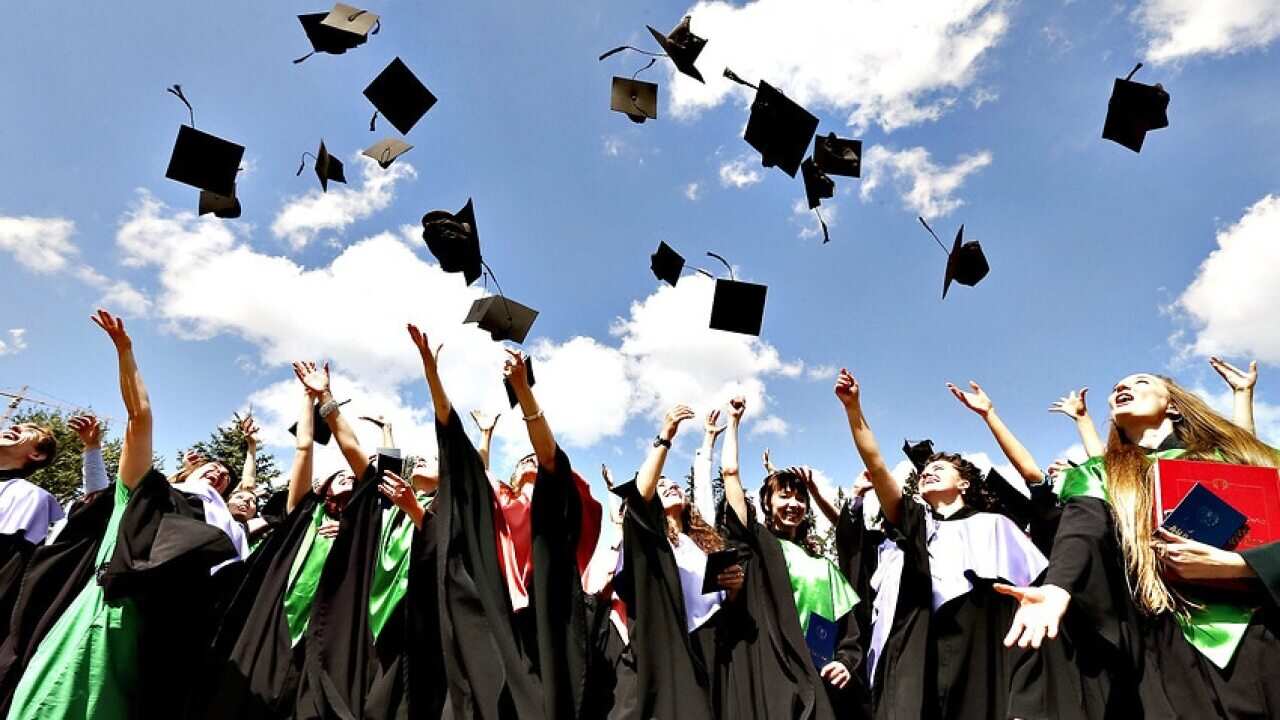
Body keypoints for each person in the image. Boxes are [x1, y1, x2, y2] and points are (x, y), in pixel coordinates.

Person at [997, 370, 1280, 718]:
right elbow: (1083, 528)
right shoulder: (1098, 473)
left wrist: (1240, 565)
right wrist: (1057, 586)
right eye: (1117, 386)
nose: (1122, 387)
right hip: (1162, 640)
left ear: (1173, 406)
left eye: (1140, 382)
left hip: (1258, 628)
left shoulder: (1241, 460)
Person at [1, 309, 237, 720]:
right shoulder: (136, 501)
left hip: (147, 642)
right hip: (88, 625)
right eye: (199, 479)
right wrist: (125, 351)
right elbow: (139, 416)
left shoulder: (203, 540)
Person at [835, 368, 1051, 720]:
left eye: (940, 468)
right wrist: (853, 410)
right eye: (925, 470)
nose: (928, 471)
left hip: (983, 660)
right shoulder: (915, 527)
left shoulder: (997, 528)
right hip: (919, 661)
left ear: (964, 484)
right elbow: (876, 465)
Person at [413, 324, 601, 720]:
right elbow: (455, 444)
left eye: (534, 461)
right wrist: (432, 372)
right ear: (512, 477)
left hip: (542, 627)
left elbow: (550, 457)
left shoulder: (549, 510)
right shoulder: (496, 506)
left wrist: (523, 390)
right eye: (524, 463)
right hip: (490, 620)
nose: (531, 463)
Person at [717, 395, 868, 719]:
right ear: (767, 504)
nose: (794, 504)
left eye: (801, 499)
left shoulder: (822, 565)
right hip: (771, 668)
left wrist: (844, 662)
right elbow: (729, 473)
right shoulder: (760, 545)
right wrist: (733, 422)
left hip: (818, 680)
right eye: (784, 496)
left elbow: (849, 634)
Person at [614, 403, 743, 720]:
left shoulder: (704, 543)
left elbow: (727, 606)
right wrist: (666, 436)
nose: (669, 484)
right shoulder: (650, 546)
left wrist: (735, 588)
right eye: (661, 484)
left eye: (673, 483)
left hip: (716, 648)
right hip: (670, 647)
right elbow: (638, 498)